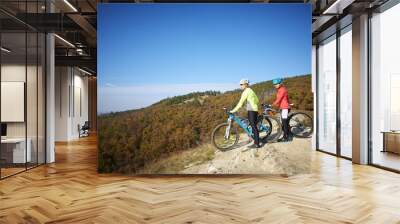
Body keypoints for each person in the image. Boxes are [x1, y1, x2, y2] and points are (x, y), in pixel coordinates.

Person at [230, 79, 261, 149]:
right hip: (254, 109)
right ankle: (255, 139)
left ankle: (257, 144)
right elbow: (257, 100)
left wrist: (233, 110)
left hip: (251, 110)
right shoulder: (251, 90)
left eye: (241, 84)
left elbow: (240, 103)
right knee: (252, 125)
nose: (240, 86)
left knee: (254, 126)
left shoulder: (245, 92)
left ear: (245, 85)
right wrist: (252, 103)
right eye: (240, 84)